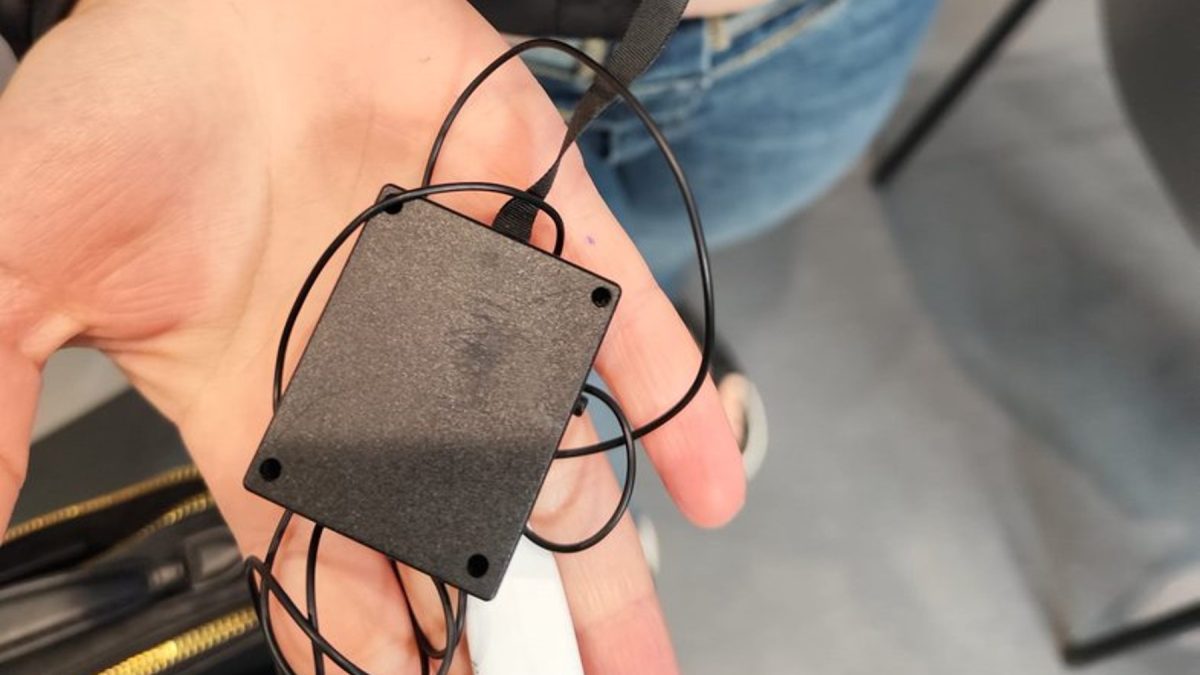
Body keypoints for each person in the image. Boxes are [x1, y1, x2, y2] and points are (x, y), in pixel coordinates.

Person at [0, 0, 933, 672]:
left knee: (618, 257)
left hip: (803, 44)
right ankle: (598, 392)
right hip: (392, 58)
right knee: (576, 262)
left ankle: (639, 348)